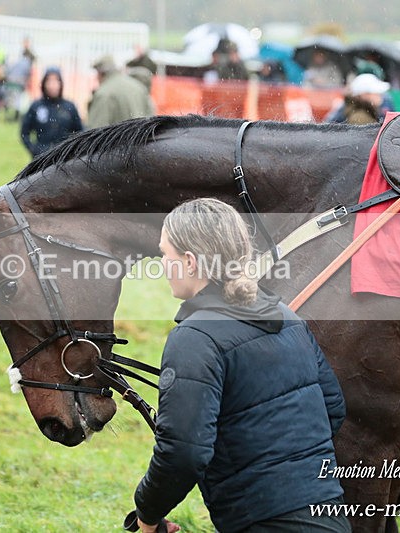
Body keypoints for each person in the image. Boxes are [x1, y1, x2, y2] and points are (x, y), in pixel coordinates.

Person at [132, 198, 349, 533]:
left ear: (190, 262)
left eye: (165, 255)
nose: (162, 265)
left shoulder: (195, 337)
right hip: (329, 516)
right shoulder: (289, 318)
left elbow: (183, 454)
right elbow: (332, 410)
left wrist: (147, 515)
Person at [20, 67, 83, 157]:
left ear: (61, 84)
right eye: (49, 81)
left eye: (56, 81)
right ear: (44, 83)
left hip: (64, 158)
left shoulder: (69, 107)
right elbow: (24, 132)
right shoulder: (36, 106)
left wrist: (71, 150)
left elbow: (80, 132)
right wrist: (34, 149)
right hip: (41, 159)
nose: (52, 85)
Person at [87, 55, 153, 129]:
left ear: (100, 73)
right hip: (141, 139)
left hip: (118, 140)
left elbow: (96, 131)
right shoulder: (139, 87)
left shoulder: (103, 93)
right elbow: (151, 119)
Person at [325, 73, 394, 125]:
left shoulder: (367, 110)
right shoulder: (360, 117)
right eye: (376, 93)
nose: (381, 96)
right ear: (364, 95)